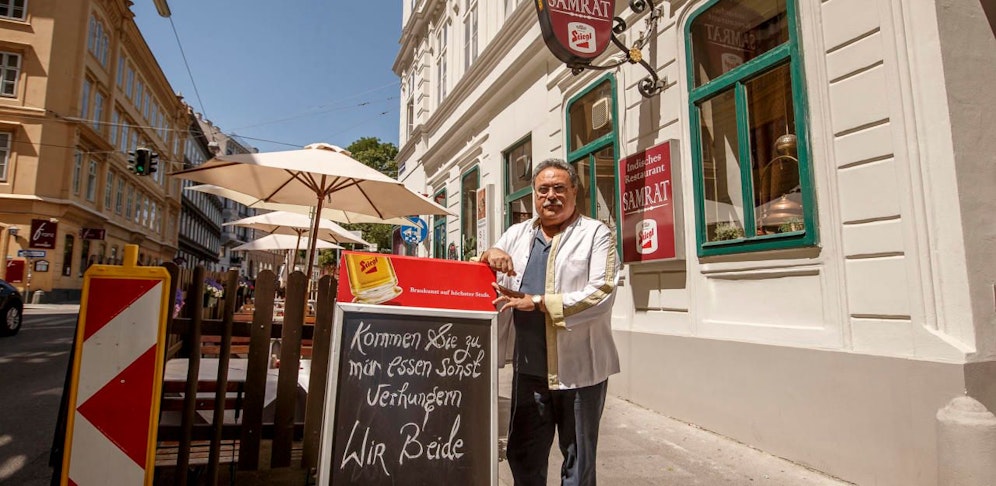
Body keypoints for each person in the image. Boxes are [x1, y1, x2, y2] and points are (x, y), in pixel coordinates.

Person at [480, 158, 621, 486]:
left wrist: (540, 303)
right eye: (543, 190)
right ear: (534, 195)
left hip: (579, 372)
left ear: (575, 191)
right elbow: (488, 262)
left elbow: (601, 292)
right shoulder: (518, 232)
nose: (550, 196)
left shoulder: (595, 233)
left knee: (577, 460)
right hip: (528, 370)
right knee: (523, 454)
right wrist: (490, 253)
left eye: (559, 188)